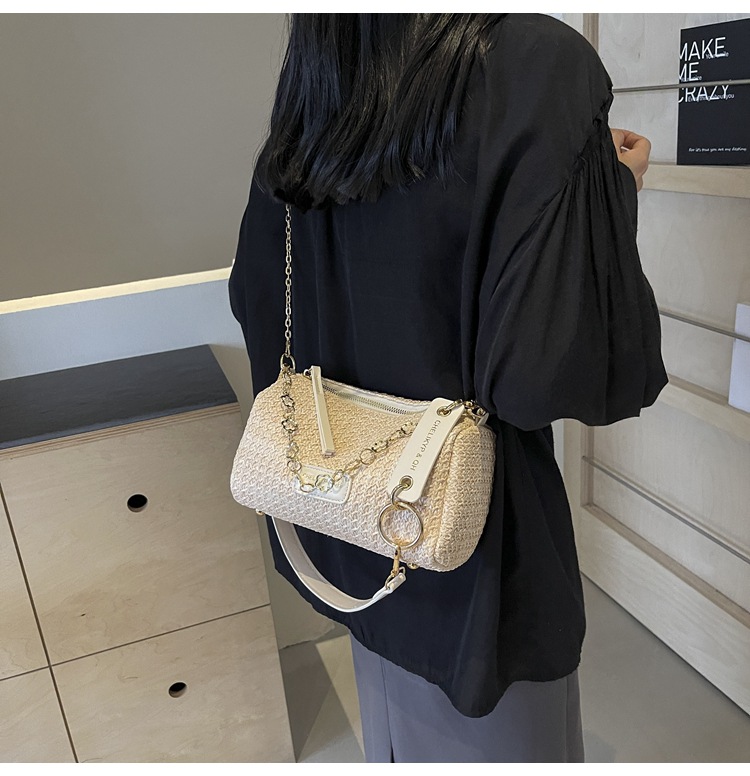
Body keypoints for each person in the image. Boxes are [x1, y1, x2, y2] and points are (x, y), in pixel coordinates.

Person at [228, 13, 668, 763]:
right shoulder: (536, 61)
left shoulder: (327, 61)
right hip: (477, 544)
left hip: (350, 520)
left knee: (395, 738)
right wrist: (610, 193)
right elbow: (544, 374)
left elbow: (259, 293)